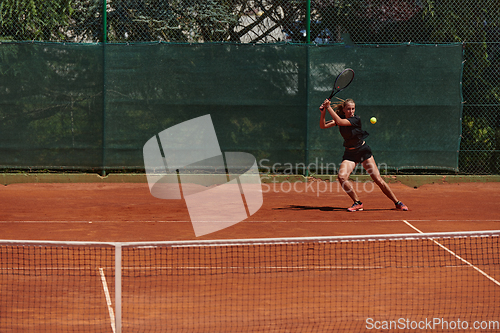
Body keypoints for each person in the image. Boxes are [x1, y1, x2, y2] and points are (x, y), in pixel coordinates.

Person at [319, 98, 408, 212]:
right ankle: (357, 202)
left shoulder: (356, 119)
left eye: (353, 109)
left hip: (363, 151)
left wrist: (328, 107)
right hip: (350, 154)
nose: (351, 111)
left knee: (378, 179)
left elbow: (341, 122)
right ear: (344, 110)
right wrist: (323, 113)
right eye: (349, 109)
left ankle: (397, 202)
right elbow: (323, 126)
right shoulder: (339, 119)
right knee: (342, 177)